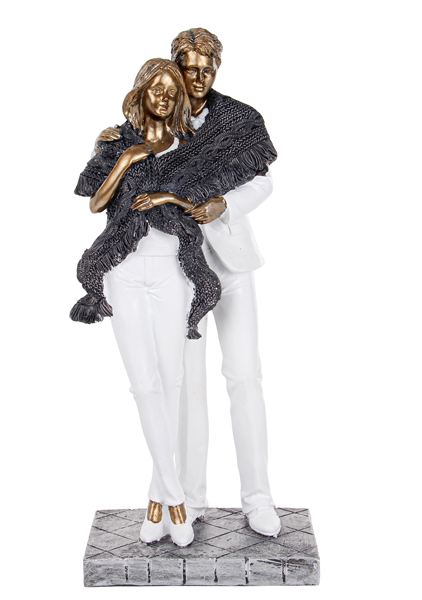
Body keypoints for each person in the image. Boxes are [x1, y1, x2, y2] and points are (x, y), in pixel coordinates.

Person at [73, 55, 276, 545]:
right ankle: (186, 495)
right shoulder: (160, 128)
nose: (197, 78)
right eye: (188, 69)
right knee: (180, 384)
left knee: (243, 374)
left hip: (227, 260)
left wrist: (225, 204)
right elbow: (110, 185)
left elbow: (262, 178)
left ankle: (258, 497)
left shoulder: (236, 120)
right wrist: (113, 148)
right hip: (174, 262)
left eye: (207, 69)